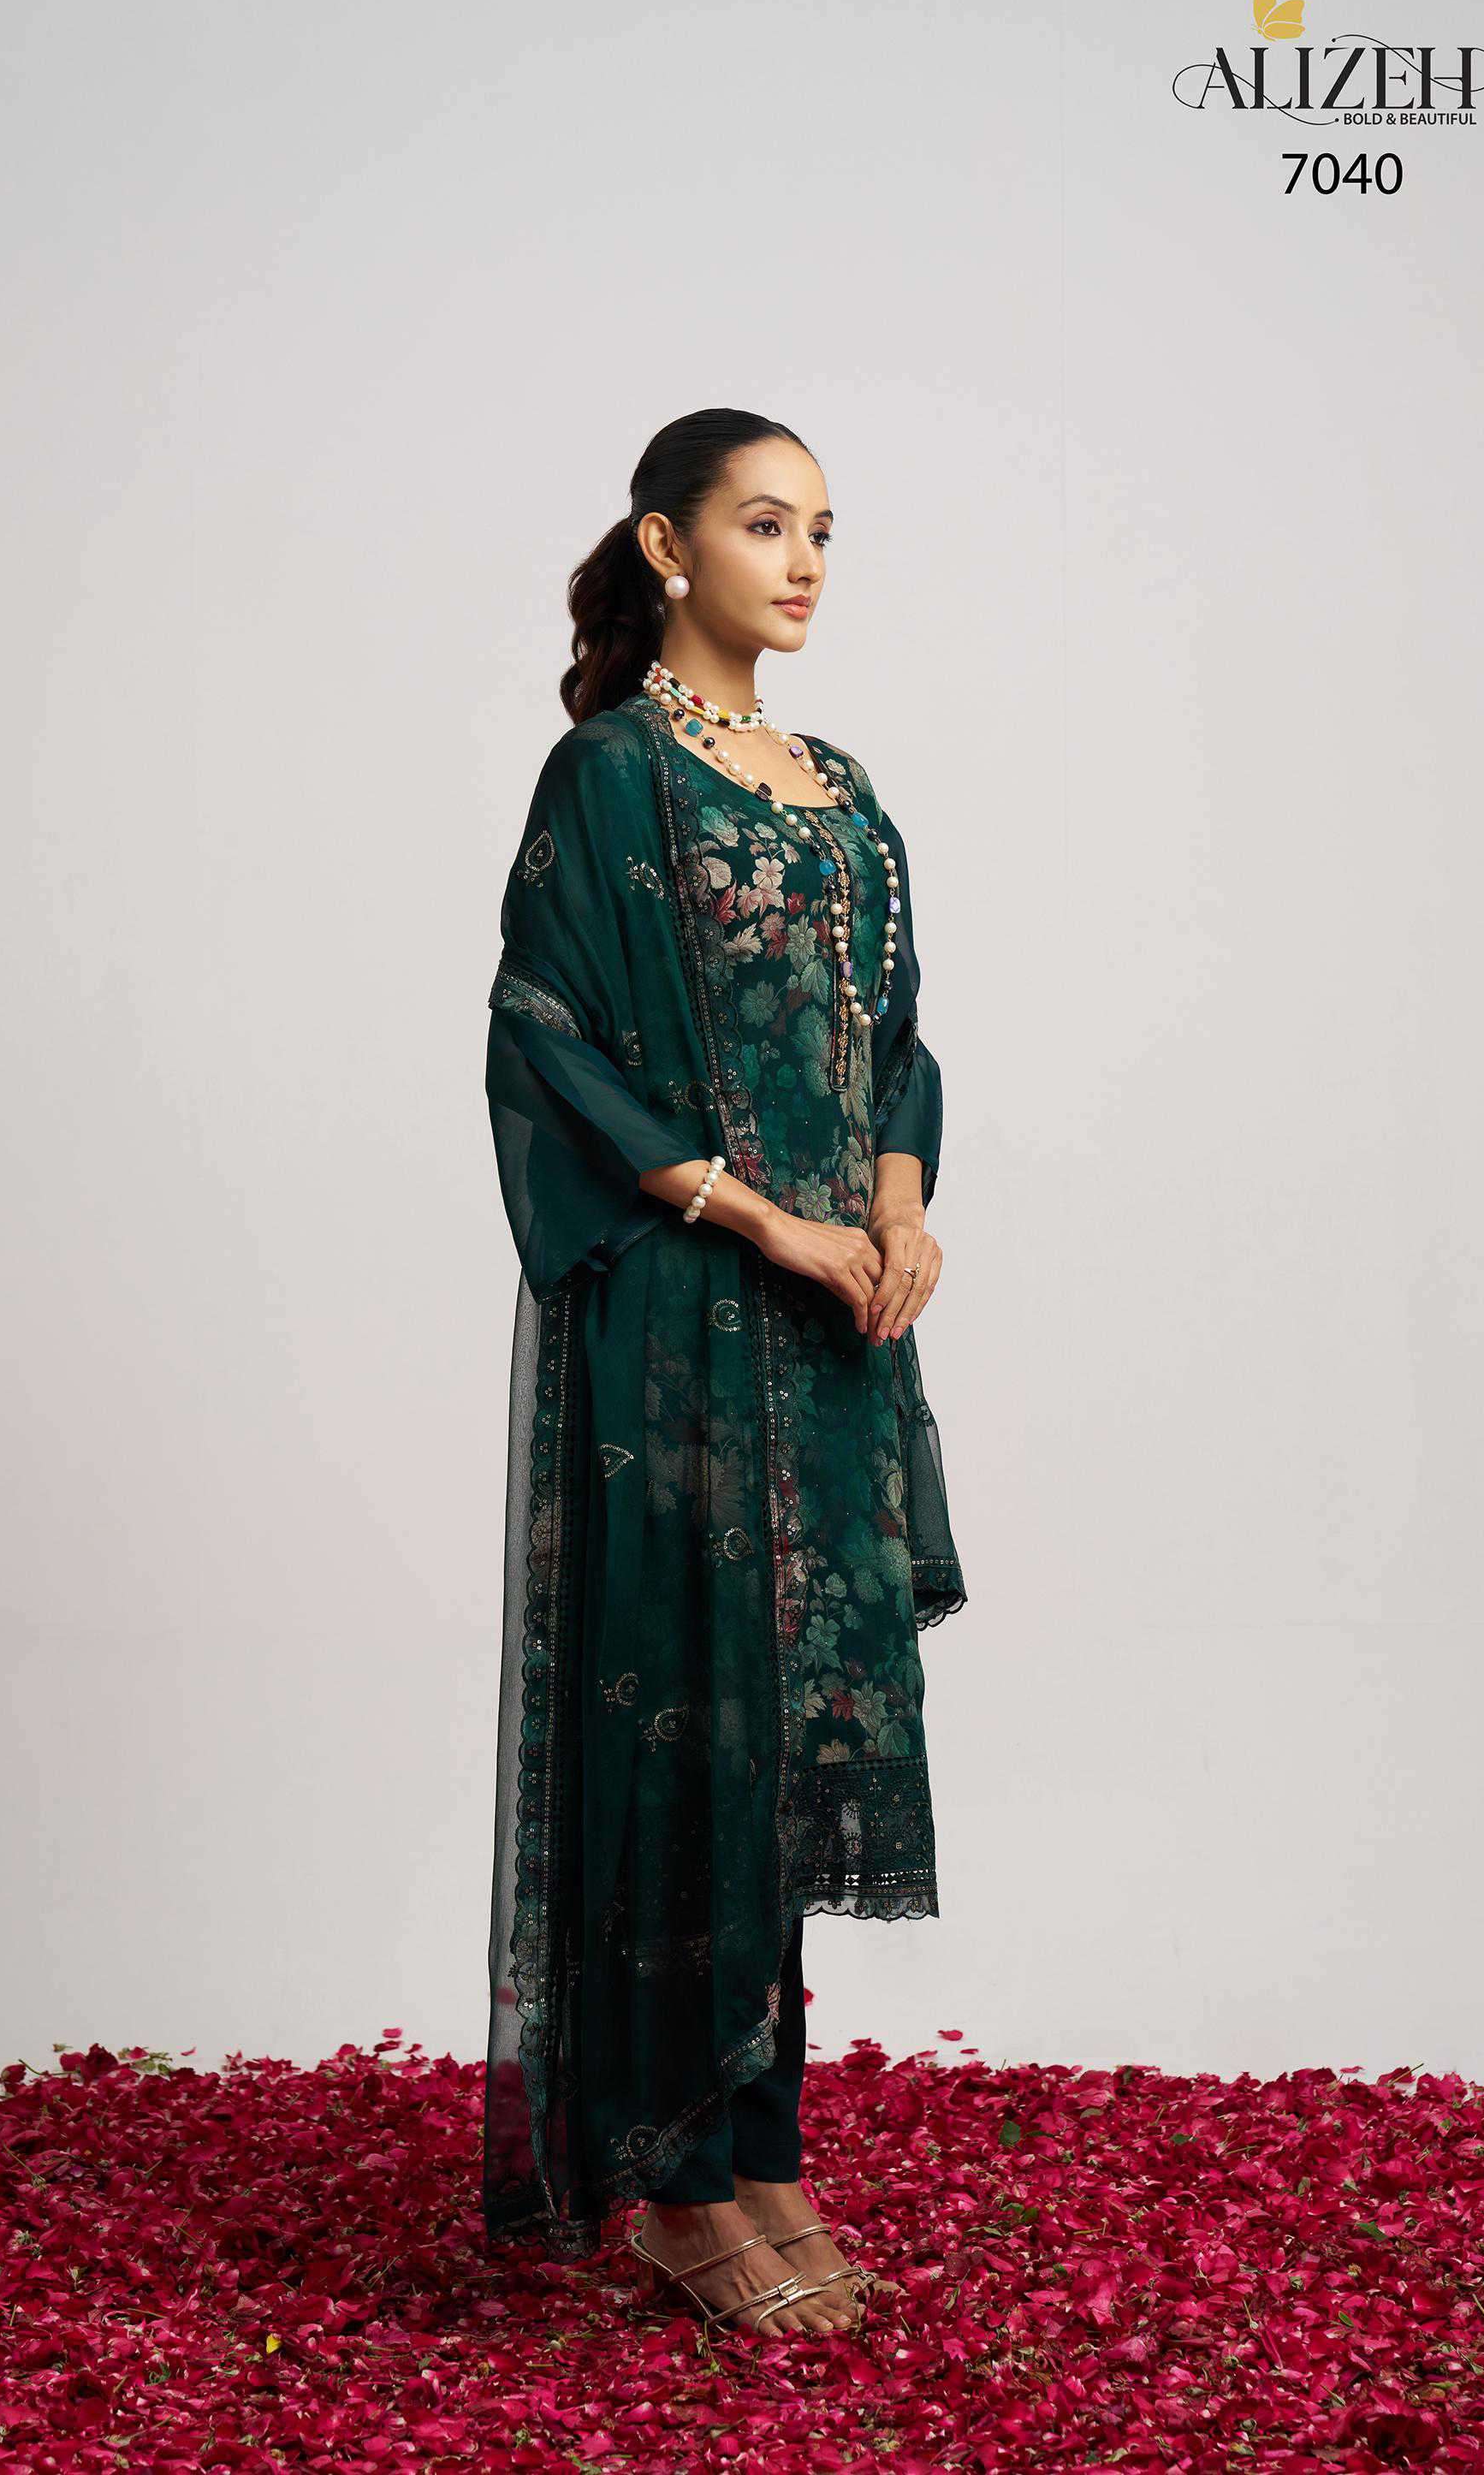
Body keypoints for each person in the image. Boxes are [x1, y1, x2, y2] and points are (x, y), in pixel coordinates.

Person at [482, 407, 967, 2343]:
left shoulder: (841, 789)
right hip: (687, 1318)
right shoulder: (610, 777)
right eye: (766, 525)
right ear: (668, 547)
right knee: (688, 1723)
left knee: (782, 1747)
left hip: (837, 1329)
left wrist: (899, 1208)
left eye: (825, 529)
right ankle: (681, 2188)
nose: (806, 562)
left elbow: (896, 1041)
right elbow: (544, 1033)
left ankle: (768, 2161)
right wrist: (767, 1223)